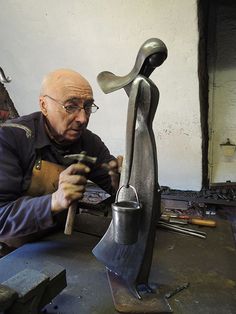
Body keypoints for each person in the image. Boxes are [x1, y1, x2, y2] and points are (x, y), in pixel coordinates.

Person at [0, 68, 122, 254]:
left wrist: (121, 182)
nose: (82, 118)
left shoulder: (89, 142)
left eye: (87, 106)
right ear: (44, 105)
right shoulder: (9, 138)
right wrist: (54, 201)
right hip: (11, 248)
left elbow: (122, 193)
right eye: (70, 106)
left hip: (59, 240)